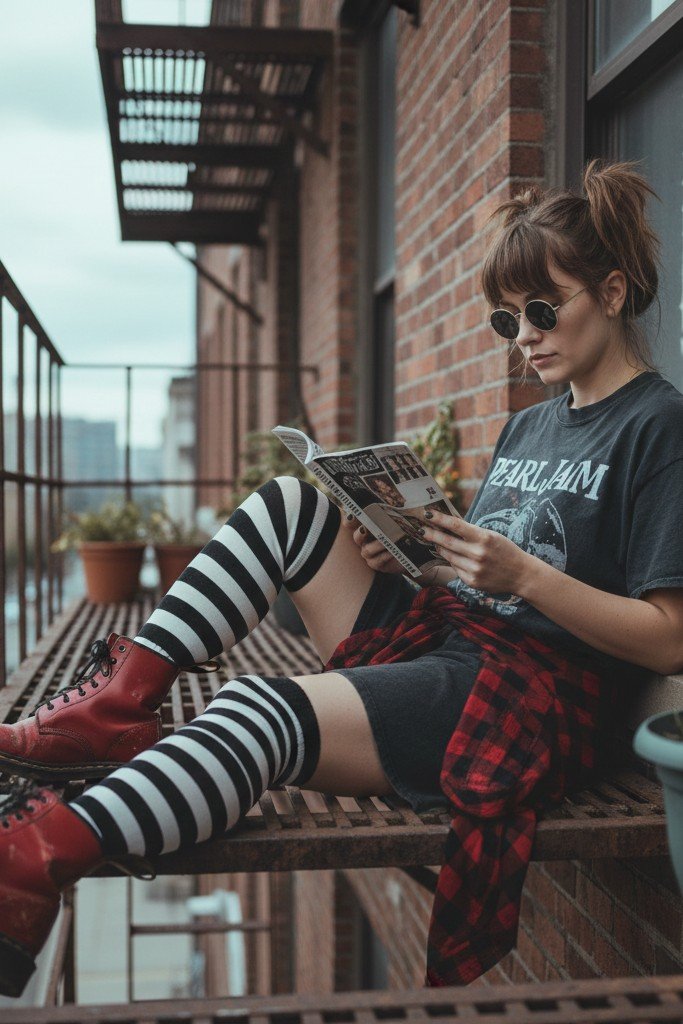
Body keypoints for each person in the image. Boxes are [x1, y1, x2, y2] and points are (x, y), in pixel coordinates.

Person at [1, 160, 682, 996]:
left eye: (543, 310)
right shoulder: (528, 426)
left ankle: (35, 860)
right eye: (506, 319)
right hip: (458, 639)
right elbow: (489, 572)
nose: (524, 336)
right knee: (292, 503)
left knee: (255, 708)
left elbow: (667, 636)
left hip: (534, 698)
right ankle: (117, 706)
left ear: (611, 294)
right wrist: (413, 554)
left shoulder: (656, 425)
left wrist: (523, 579)